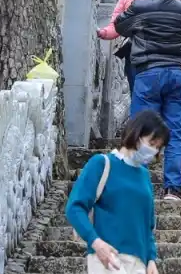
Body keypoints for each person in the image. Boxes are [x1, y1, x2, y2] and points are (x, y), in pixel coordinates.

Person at [114, 0, 181, 200]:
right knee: (176, 131)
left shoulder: (140, 7)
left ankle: (137, 184)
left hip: (148, 72)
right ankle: (173, 187)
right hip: (178, 72)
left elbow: (121, 26)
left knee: (141, 130)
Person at [66, 110, 168, 274]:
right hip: (108, 259)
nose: (153, 151)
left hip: (139, 264)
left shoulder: (144, 176)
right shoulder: (102, 163)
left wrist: (151, 259)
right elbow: (75, 207)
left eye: (158, 147)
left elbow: (148, 225)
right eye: (151, 143)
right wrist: (96, 242)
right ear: (137, 133)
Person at [99, 0, 153, 94]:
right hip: (134, 51)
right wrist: (102, 33)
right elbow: (115, 25)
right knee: (137, 91)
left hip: (157, 51)